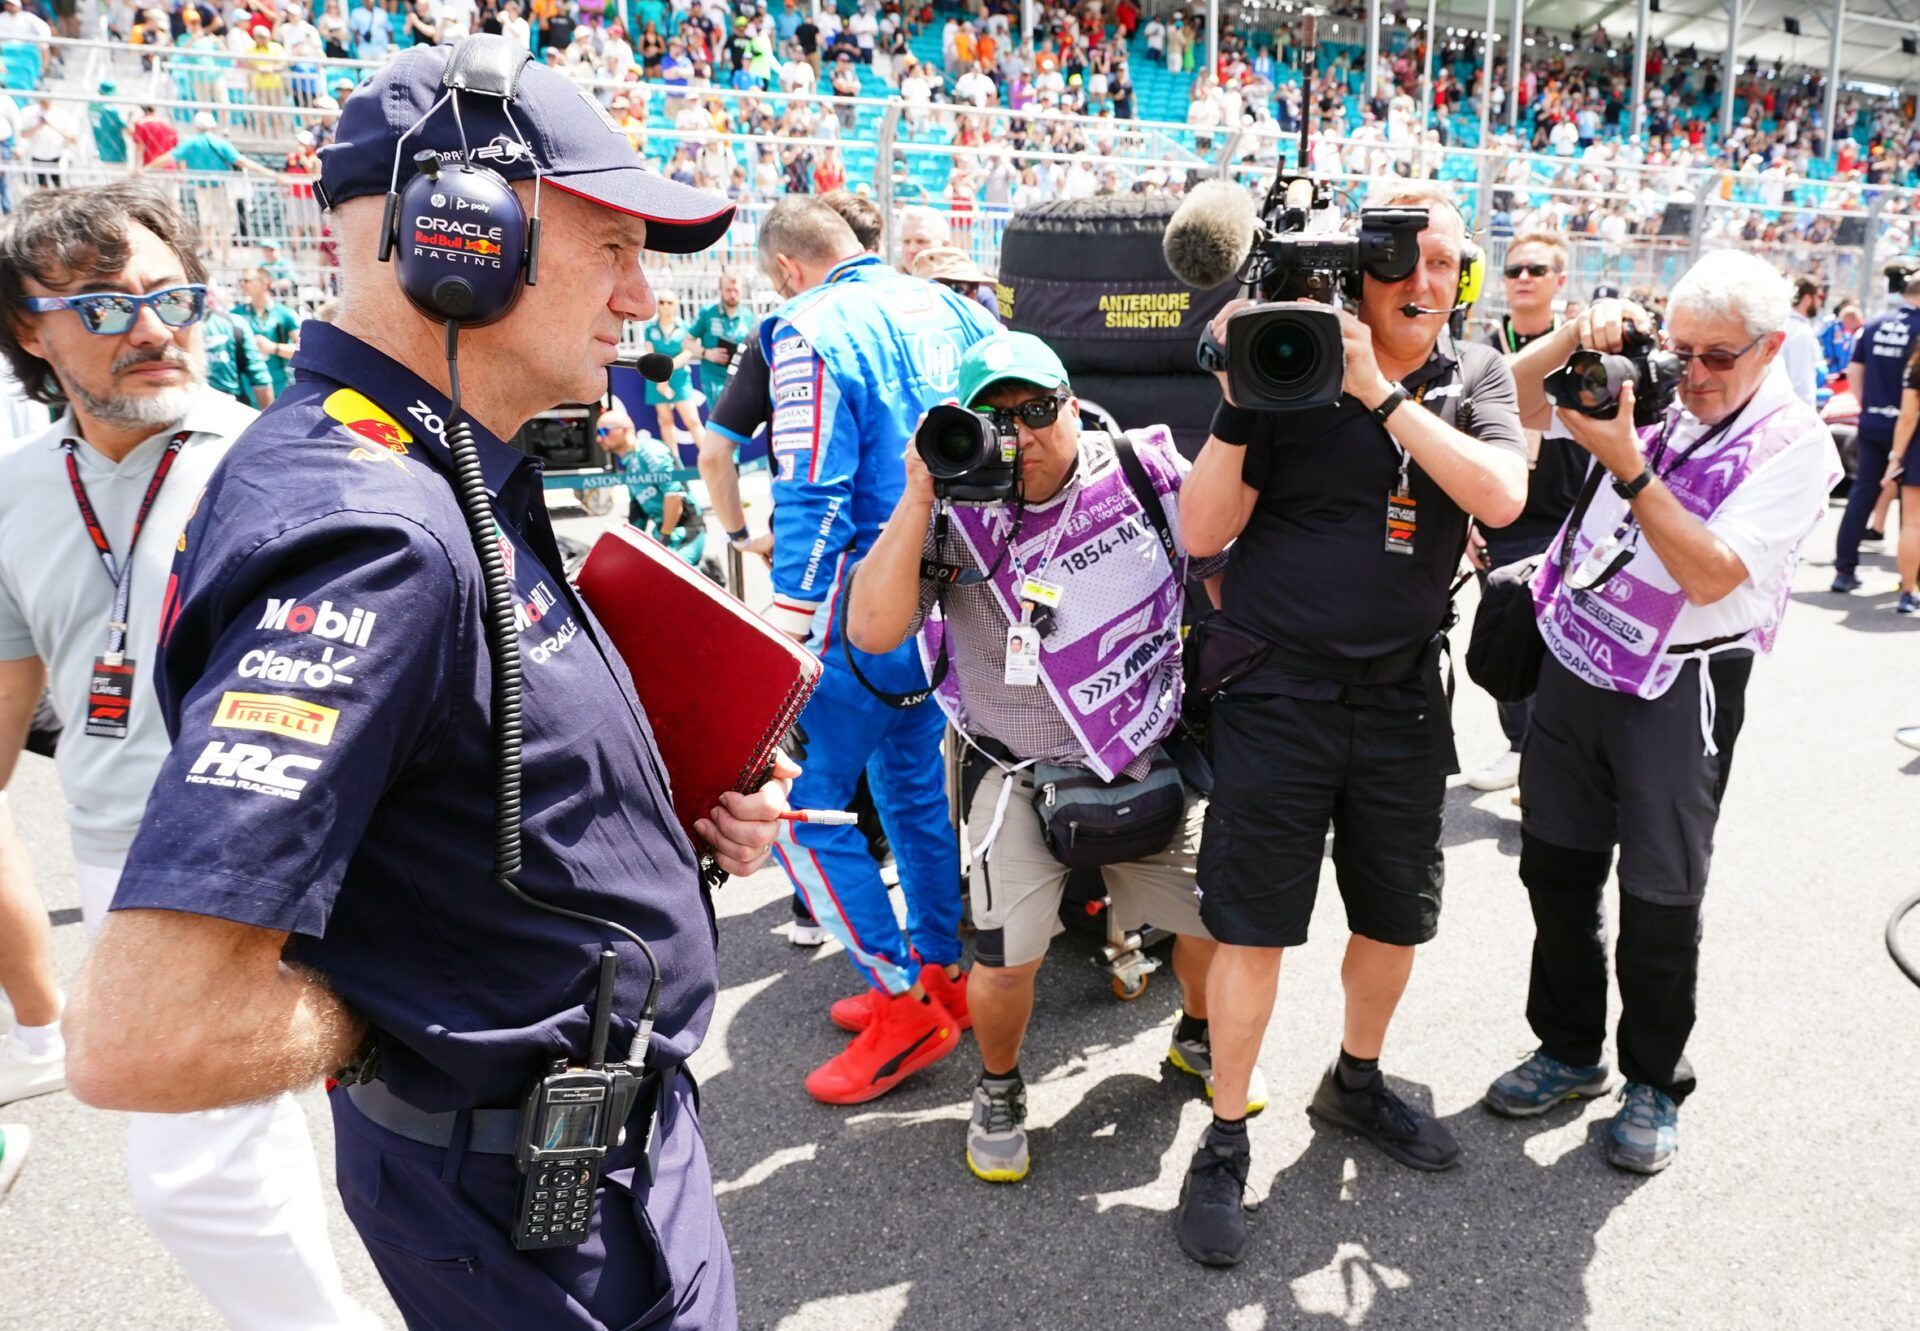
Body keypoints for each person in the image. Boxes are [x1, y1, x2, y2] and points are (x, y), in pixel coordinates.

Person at [58, 43, 792, 1331]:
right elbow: (144, 1032)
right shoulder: (374, 531)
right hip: (542, 1194)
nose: (642, 299)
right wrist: (407, 1017)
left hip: (560, 1165)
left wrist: (643, 821)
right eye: (612, 246)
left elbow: (445, 797)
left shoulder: (441, 459)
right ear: (464, 236)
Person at [0, 182, 378, 1328]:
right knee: (214, 1173)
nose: (157, 328)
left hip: (296, 842)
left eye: (173, 296)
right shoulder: (13, 495)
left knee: (254, 1164)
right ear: (29, 325)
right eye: (107, 304)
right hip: (134, 861)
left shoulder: (289, 455)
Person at [1173, 182, 1528, 1267]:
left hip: (1403, 692)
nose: (1427, 285)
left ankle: (1356, 1080)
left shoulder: (1473, 369)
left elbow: (1504, 496)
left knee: (1394, 914)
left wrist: (1383, 397)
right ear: (1359, 268)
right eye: (1404, 260)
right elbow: (1199, 529)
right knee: (1253, 923)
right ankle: (1226, 1135)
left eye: (1448, 266)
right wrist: (1248, 389)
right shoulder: (1291, 359)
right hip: (1278, 691)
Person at [845, 331, 1266, 1182]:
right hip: (1018, 776)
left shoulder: (1142, 471)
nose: (1021, 435)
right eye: (995, 419)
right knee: (1004, 966)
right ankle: (998, 1086)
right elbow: (872, 630)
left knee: (1211, 930)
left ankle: (1194, 1035)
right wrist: (920, 493)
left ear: (1072, 404)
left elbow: (1230, 547)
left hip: (1149, 755)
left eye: (1037, 410)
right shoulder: (956, 519)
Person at [1499, 256, 1839, 1174]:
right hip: (1576, 657)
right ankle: (1570, 1050)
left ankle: (1653, 1079)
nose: (1690, 373)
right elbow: (1511, 402)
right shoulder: (1652, 387)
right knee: (1556, 870)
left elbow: (1711, 574)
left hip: (1679, 684)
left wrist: (1629, 464)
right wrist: (1581, 335)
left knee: (1661, 894)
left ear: (1772, 348)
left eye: (1716, 355)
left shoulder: (1798, 444)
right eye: (1678, 347)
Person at [755, 196, 997, 1103]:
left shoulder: (808, 325)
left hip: (861, 605)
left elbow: (811, 492)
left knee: (793, 808)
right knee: (907, 784)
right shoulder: (958, 307)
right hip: (947, 598)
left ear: (787, 267)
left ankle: (906, 1004)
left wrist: (782, 636)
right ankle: (938, 971)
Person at [1465, 228, 1581, 792]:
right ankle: (1519, 748)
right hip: (1502, 520)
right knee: (1506, 632)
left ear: (1561, 281)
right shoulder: (1483, 347)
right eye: (1515, 271)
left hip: (1569, 518)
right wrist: (1463, 518)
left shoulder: (1580, 351)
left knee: (1565, 646)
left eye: (1537, 270)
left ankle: (1554, 760)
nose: (1525, 280)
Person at [1833, 271, 1920, 593]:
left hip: (1873, 419)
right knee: (1913, 506)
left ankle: (1844, 570)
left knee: (1862, 493)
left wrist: (1865, 403)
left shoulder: (1875, 323)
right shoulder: (1917, 328)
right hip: (1910, 426)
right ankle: (1909, 581)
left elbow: (1855, 370)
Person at [600, 401, 713, 574]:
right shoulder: (630, 463)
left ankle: (707, 572)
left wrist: (664, 538)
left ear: (624, 429)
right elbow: (638, 516)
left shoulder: (650, 451)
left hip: (686, 533)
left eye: (603, 432)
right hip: (663, 535)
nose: (598, 438)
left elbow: (674, 496)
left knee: (662, 577)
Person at [1880, 346, 1920, 614]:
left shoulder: (1916, 366)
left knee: (1913, 524)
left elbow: (1907, 417)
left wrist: (1895, 458)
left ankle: (1908, 592)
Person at [642, 290, 704, 455]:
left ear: (676, 305)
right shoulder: (650, 328)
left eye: (669, 302)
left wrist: (667, 370)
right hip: (657, 378)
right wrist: (661, 378)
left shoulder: (684, 326)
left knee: (692, 421)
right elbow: (650, 353)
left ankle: (710, 459)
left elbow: (688, 352)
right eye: (662, 302)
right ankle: (675, 466)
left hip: (678, 376)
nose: (665, 306)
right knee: (666, 421)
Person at [688, 269, 753, 408]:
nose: (732, 295)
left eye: (736, 290)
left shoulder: (748, 316)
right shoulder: (708, 312)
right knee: (719, 423)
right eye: (728, 290)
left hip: (740, 379)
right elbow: (687, 342)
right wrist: (707, 353)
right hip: (714, 379)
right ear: (720, 290)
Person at [234, 265, 301, 399]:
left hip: (280, 387)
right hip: (247, 389)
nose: (242, 284)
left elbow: (303, 352)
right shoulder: (235, 314)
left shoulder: (285, 314)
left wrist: (273, 348)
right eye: (241, 281)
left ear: (264, 284)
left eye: (247, 281)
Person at [200, 288, 274, 408]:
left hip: (228, 404)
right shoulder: (234, 322)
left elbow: (260, 376)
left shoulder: (234, 323)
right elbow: (260, 377)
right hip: (200, 406)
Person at [1779, 273, 1825, 406]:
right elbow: (1802, 384)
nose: (1820, 303)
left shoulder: (1782, 323)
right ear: (1807, 299)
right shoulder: (1801, 332)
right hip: (1792, 412)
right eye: (1819, 297)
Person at [895, 203, 951, 275]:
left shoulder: (962, 283)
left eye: (921, 241)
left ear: (945, 245)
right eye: (906, 241)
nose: (912, 250)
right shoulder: (886, 283)